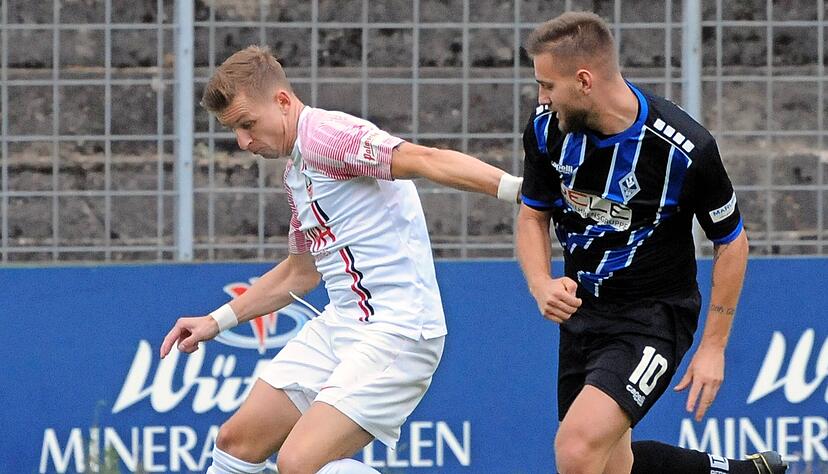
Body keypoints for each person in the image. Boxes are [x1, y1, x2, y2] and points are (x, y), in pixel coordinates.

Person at [159, 45, 522, 474]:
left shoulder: (328, 137)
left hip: (400, 330)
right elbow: (299, 273)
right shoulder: (297, 171)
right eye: (234, 130)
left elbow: (424, 159)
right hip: (343, 325)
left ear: (281, 101)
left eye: (247, 124)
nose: (243, 141)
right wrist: (215, 321)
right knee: (236, 443)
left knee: (299, 464)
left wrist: (519, 190)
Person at [515, 12, 785, 474]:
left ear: (583, 80)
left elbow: (732, 243)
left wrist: (713, 347)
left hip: (653, 318)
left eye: (547, 85)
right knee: (610, 463)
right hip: (584, 315)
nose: (541, 97)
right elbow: (532, 214)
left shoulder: (686, 150)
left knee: (577, 450)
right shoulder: (547, 130)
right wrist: (541, 281)